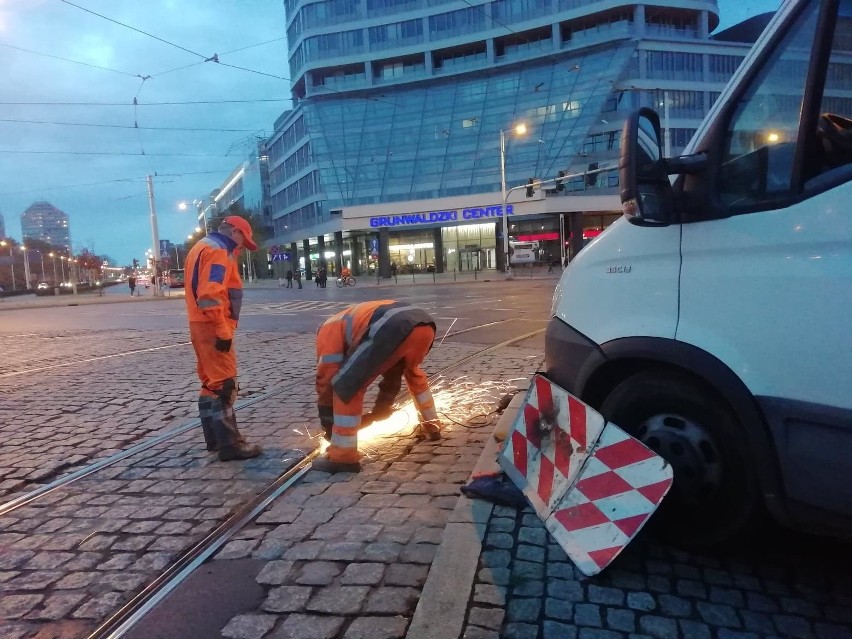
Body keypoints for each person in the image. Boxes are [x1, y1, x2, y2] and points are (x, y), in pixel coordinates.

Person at [314, 300, 442, 473]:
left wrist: (328, 420)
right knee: (411, 372)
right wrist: (382, 406)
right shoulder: (345, 319)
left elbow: (326, 377)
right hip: (424, 324)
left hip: (393, 326)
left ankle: (343, 456)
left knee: (347, 385)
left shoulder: (327, 331)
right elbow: (393, 372)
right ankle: (431, 425)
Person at [184, 216, 263, 462]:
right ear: (235, 231)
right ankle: (231, 445)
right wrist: (222, 328)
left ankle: (215, 440)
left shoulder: (201, 246)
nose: (240, 247)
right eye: (242, 241)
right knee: (225, 384)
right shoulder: (219, 251)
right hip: (212, 325)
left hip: (199, 323)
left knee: (211, 382)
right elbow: (209, 294)